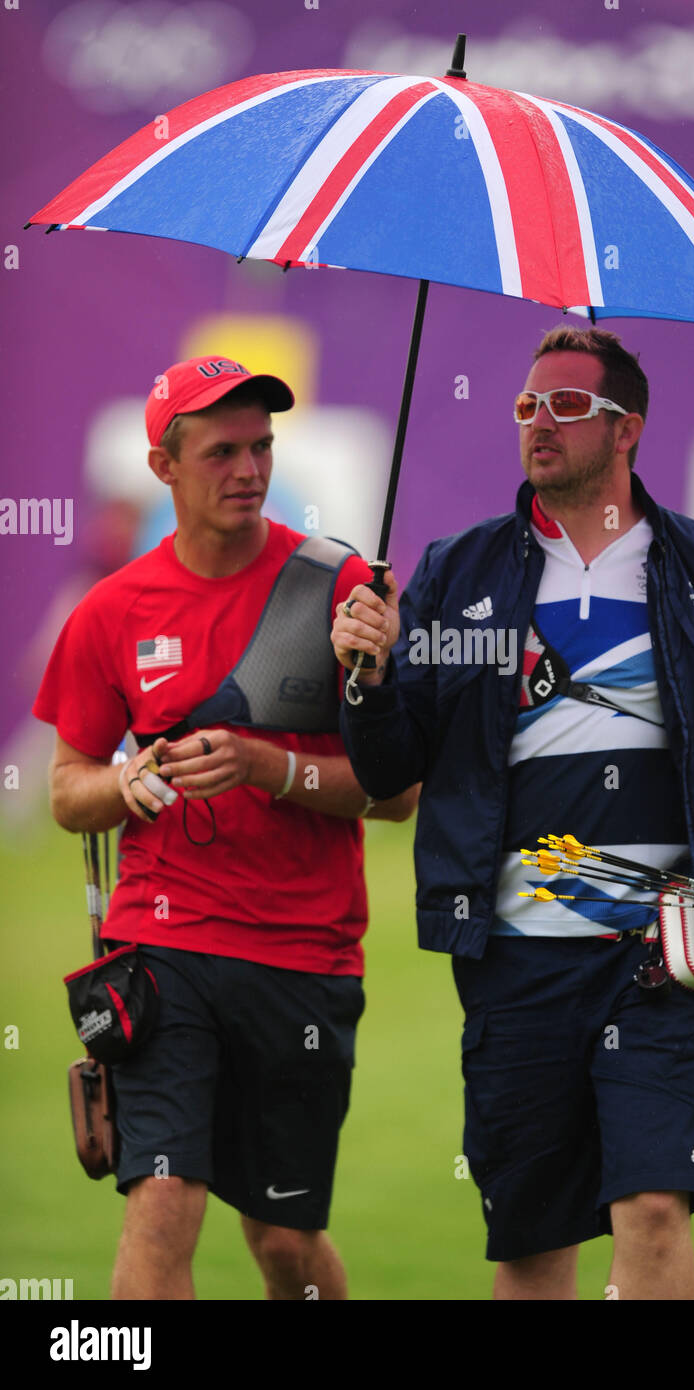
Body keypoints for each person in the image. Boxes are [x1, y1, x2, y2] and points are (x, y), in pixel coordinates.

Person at [331, 326, 694, 1301]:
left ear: (626, 429)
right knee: (531, 1239)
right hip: (515, 960)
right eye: (526, 406)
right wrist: (370, 674)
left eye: (565, 406)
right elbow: (391, 771)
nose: (537, 424)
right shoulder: (456, 573)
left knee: (652, 1203)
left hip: (668, 953)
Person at [34, 355, 417, 1300]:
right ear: (163, 467)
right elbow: (66, 789)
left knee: (284, 1242)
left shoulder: (336, 590)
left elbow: (394, 794)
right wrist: (133, 778)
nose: (248, 470)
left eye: (261, 448)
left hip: (305, 953)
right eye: (221, 452)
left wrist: (265, 764)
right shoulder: (110, 611)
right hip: (162, 944)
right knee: (161, 1203)